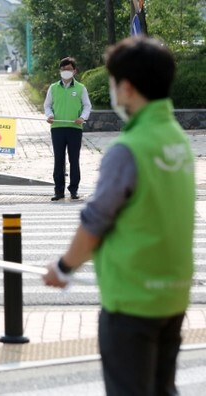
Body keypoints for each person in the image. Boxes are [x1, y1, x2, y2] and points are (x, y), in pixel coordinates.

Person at [43, 36, 195, 396]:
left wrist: (64, 268)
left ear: (125, 87)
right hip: (172, 296)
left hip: (132, 299)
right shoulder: (177, 140)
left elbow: (95, 221)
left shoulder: (128, 149)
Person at [44, 57, 92, 201]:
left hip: (74, 128)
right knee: (59, 160)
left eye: (69, 69)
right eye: (64, 69)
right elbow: (47, 105)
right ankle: (58, 191)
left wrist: (82, 118)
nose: (66, 72)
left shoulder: (80, 88)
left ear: (74, 71)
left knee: (74, 159)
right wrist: (50, 115)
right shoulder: (53, 88)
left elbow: (87, 106)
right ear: (60, 71)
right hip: (57, 127)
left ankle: (74, 190)